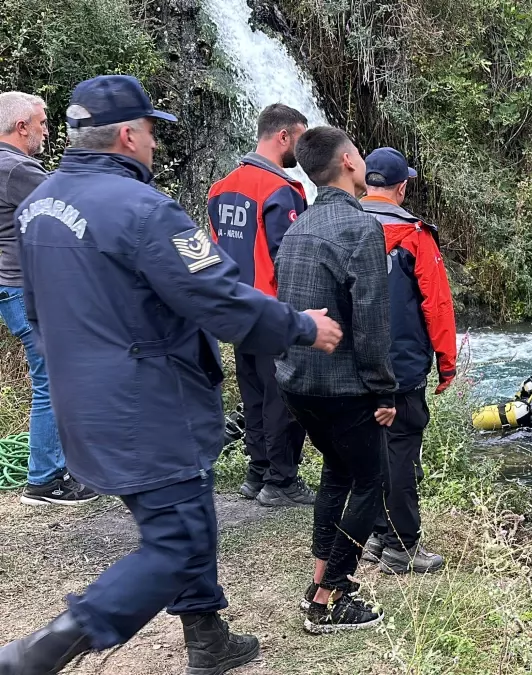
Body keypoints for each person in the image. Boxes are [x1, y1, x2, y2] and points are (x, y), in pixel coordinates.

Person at [0, 75, 342, 675]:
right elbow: (220, 300)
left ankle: (208, 639)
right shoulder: (142, 210)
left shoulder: (38, 206)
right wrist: (302, 326)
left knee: (189, 515)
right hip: (148, 403)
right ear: (128, 136)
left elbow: (34, 310)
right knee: (177, 542)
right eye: (153, 132)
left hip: (84, 400)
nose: (156, 145)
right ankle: (40, 653)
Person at [273, 127, 396, 633]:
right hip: (343, 388)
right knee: (372, 480)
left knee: (336, 474)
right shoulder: (360, 227)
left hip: (296, 381)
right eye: (361, 154)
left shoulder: (298, 225)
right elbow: (370, 318)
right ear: (348, 161)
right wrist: (384, 389)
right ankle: (332, 596)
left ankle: (321, 575)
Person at [355, 148, 456, 575]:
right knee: (400, 450)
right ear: (401, 187)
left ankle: (377, 535)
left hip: (350, 363)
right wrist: (446, 364)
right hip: (401, 365)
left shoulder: (342, 224)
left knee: (369, 448)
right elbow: (437, 305)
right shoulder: (414, 235)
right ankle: (401, 544)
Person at [208, 104, 314, 507]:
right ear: (283, 136)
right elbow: (289, 256)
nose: (303, 151)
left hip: (235, 307)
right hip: (272, 308)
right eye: (301, 139)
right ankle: (282, 480)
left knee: (253, 392)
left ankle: (257, 473)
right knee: (283, 395)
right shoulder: (280, 190)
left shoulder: (221, 187)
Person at [0, 91, 96, 506]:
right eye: (41, 124)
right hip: (25, 288)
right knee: (51, 381)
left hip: (12, 286)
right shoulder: (17, 168)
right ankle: (45, 479)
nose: (46, 131)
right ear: (22, 127)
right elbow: (70, 209)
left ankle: (63, 466)